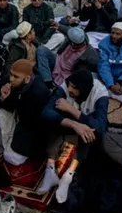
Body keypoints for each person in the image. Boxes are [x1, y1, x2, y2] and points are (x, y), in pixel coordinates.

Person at [38, 69, 110, 203]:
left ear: (84, 90)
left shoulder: (100, 93)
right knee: (51, 122)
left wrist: (73, 111)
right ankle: (50, 169)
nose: (70, 89)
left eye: (75, 88)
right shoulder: (66, 87)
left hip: (87, 123)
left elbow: (101, 127)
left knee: (89, 132)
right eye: (69, 85)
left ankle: (68, 176)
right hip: (71, 123)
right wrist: (73, 124)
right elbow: (46, 112)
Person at [0, 59, 51, 167]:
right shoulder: (10, 80)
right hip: (18, 118)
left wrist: (11, 100)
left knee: (11, 158)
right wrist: (2, 97)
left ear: (27, 78)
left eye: (15, 77)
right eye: (11, 74)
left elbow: (36, 124)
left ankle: (12, 147)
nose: (11, 79)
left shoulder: (39, 92)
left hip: (32, 128)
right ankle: (6, 144)